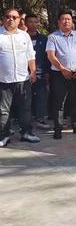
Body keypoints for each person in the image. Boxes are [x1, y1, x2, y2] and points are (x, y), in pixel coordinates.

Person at [46, 10, 76, 139]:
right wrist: (62, 69)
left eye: (69, 19)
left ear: (72, 22)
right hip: (59, 74)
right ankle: (58, 128)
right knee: (59, 101)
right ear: (59, 22)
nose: (66, 21)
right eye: (63, 19)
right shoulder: (53, 37)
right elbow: (51, 55)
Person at [0, 8, 40, 147]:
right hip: (3, 80)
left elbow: (30, 55)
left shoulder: (24, 36)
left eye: (14, 17)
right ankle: (4, 135)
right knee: (3, 110)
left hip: (23, 79)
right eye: (8, 16)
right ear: (3, 19)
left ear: (19, 20)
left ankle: (26, 133)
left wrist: (33, 71)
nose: (11, 19)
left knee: (26, 108)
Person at [25, 13, 50, 130]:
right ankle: (25, 120)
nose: (33, 24)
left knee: (41, 96)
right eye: (30, 22)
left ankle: (40, 119)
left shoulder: (44, 39)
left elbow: (47, 56)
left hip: (40, 73)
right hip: (23, 74)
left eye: (35, 22)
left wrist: (47, 72)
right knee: (25, 97)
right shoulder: (21, 37)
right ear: (26, 23)